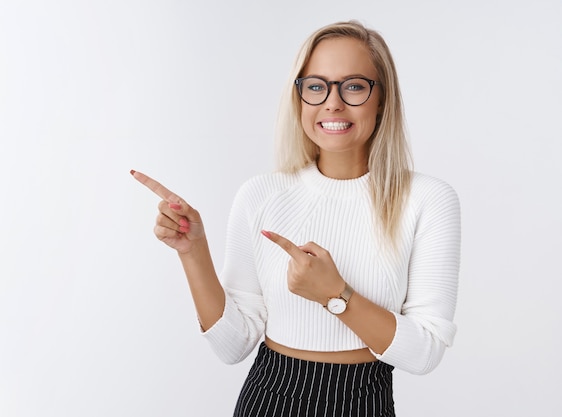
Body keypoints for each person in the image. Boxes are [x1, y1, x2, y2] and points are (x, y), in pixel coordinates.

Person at [131, 19, 460, 417]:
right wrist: (193, 250)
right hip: (268, 397)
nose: (332, 103)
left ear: (382, 98)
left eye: (353, 86)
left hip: (365, 402)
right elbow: (232, 346)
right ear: (299, 97)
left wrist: (336, 296)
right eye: (316, 86)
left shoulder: (427, 200)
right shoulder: (261, 195)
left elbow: (424, 353)